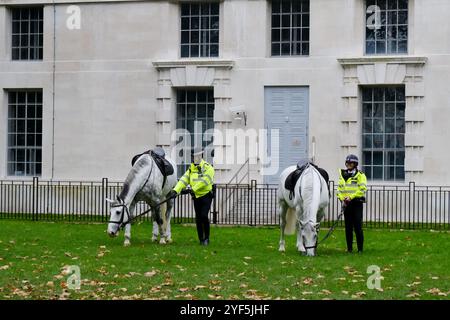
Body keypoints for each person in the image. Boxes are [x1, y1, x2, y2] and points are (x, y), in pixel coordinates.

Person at [167, 147, 215, 246]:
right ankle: (201, 239)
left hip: (206, 196)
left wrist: (192, 189)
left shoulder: (208, 167)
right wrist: (175, 190)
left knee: (204, 216)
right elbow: (184, 180)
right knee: (198, 218)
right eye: (193, 156)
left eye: (197, 156)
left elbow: (205, 181)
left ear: (201, 156)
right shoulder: (191, 169)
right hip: (196, 197)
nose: (195, 158)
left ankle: (207, 238)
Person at [337, 154, 367, 253]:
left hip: (356, 204)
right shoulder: (342, 175)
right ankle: (349, 249)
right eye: (347, 162)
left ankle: (360, 249)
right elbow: (339, 190)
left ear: (355, 164)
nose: (348, 164)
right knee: (348, 228)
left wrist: (351, 197)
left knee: (358, 227)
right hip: (346, 204)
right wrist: (342, 199)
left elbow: (362, 189)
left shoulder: (360, 175)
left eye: (351, 163)